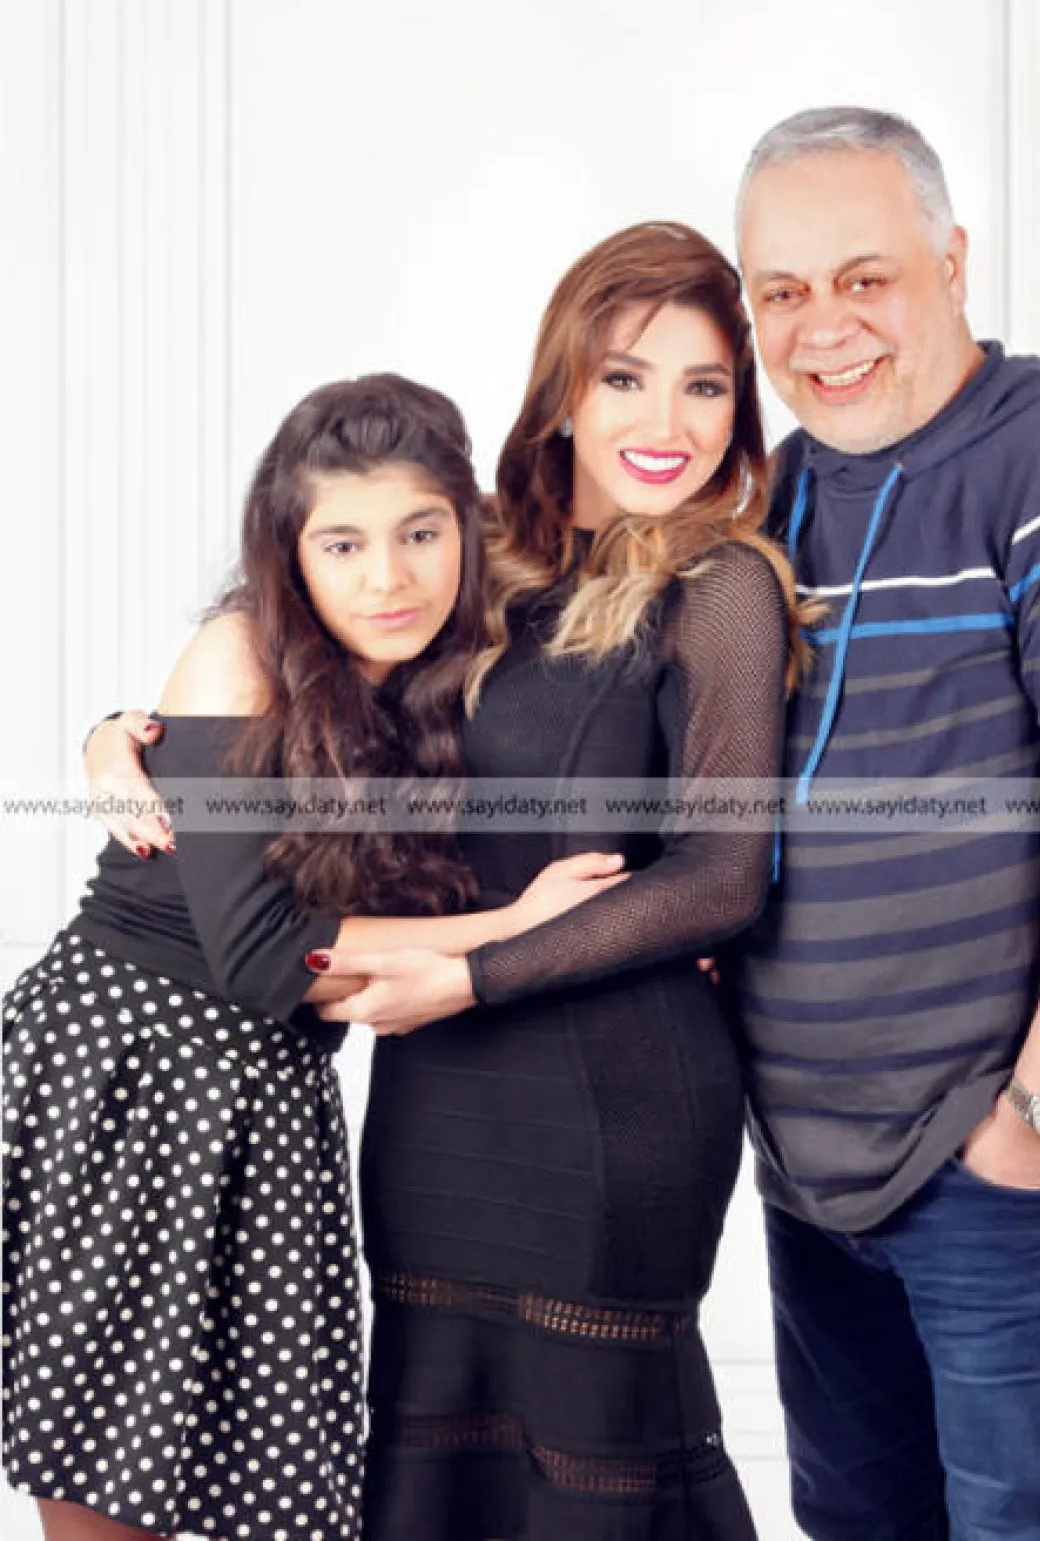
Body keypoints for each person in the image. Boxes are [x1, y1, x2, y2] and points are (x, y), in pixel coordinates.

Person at [78, 221, 805, 1540]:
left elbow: (719, 878)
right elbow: (287, 647)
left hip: (610, 1101)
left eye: (705, 385)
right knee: (437, 1476)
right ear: (565, 385)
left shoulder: (719, 584)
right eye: (625, 377)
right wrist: (126, 736)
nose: (666, 423)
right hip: (436, 1105)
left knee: (599, 1474)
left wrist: (473, 973)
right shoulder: (468, 551)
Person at [3, 372, 625, 1541]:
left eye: (420, 533)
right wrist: (518, 923)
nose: (387, 577)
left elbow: (623, 534)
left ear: (465, 527)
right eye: (342, 544)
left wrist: (669, 923)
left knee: (269, 1476)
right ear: (291, 554)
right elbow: (262, 956)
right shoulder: (241, 651)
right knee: (107, 1471)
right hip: (133, 1069)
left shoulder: (457, 656)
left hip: (271, 1092)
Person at [733, 106, 1040, 1540]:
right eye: (781, 290)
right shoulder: (777, 495)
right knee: (857, 1523)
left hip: (1003, 1165)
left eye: (864, 277)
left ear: (951, 260)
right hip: (810, 1172)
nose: (823, 327)